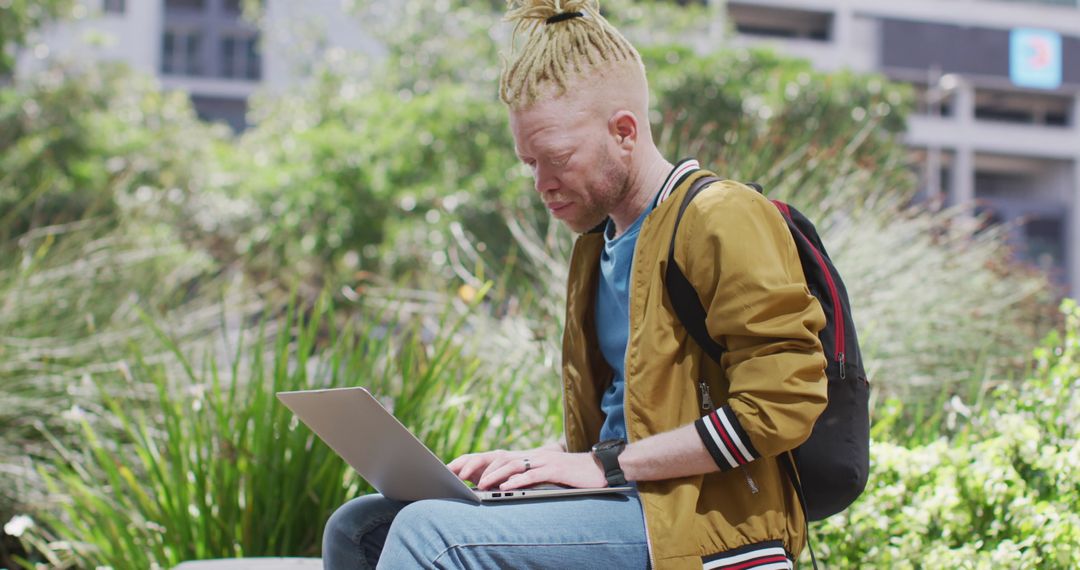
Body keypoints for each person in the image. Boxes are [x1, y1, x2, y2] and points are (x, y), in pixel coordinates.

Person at [322, 1, 828, 568]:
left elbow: (783, 404)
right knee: (361, 526)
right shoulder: (597, 244)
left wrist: (605, 465)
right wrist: (537, 462)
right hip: (623, 499)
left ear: (625, 131)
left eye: (556, 157)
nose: (541, 183)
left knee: (430, 534)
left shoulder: (721, 215)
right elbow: (635, 416)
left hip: (699, 523)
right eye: (528, 163)